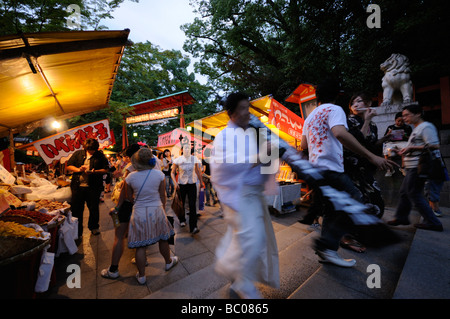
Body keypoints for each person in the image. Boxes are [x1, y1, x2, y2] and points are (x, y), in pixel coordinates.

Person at [300, 80, 395, 267]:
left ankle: (328, 251)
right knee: (356, 202)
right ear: (338, 95)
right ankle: (327, 245)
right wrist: (371, 156)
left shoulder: (310, 117)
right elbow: (340, 134)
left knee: (331, 210)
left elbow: (304, 145)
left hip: (316, 170)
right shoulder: (335, 110)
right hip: (331, 169)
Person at [210, 92, 280, 299]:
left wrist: (269, 160)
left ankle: (239, 277)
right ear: (231, 113)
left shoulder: (252, 132)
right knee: (252, 238)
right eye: (242, 108)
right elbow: (223, 165)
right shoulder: (225, 135)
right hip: (240, 195)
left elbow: (268, 156)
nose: (246, 112)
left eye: (247, 107)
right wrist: (260, 156)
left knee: (246, 238)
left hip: (252, 195)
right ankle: (239, 279)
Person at [124, 147, 178, 284]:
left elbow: (129, 197)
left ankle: (141, 276)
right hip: (157, 210)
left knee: (140, 246)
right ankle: (168, 262)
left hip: (139, 211)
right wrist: (163, 208)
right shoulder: (159, 175)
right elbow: (162, 195)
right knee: (163, 239)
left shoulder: (130, 177)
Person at [387, 103, 444, 231]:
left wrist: (411, 148)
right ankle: (401, 217)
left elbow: (435, 145)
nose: (404, 118)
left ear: (418, 114)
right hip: (412, 166)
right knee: (405, 192)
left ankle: (433, 222)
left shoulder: (426, 127)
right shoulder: (417, 129)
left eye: (407, 115)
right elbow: (419, 146)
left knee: (413, 193)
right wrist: (404, 151)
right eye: (403, 115)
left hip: (418, 167)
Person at [101, 144, 141, 279]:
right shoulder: (152, 168)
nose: (126, 159)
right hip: (143, 205)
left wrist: (117, 207)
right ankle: (142, 262)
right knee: (139, 235)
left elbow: (125, 190)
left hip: (128, 205)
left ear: (131, 157)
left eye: (127, 156)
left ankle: (113, 269)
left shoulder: (130, 169)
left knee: (119, 235)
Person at [66, 138, 109, 237]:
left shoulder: (100, 155)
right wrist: (79, 169)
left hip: (93, 187)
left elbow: (106, 169)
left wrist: (95, 171)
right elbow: (69, 166)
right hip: (78, 187)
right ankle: (77, 230)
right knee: (77, 209)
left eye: (93, 150)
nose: (91, 151)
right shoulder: (78, 154)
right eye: (89, 149)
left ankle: (94, 227)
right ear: (85, 147)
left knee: (93, 208)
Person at [171, 144, 204, 234]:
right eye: (185, 148)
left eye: (189, 149)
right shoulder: (178, 160)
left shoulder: (194, 159)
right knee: (181, 204)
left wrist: (201, 182)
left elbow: (198, 171)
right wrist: (175, 183)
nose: (187, 150)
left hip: (192, 184)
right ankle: (182, 219)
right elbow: (172, 172)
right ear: (182, 150)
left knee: (192, 204)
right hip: (181, 184)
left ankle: (193, 226)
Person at [382, 112, 412, 176]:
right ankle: (390, 169)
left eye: (402, 121)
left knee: (405, 149)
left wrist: (405, 136)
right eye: (398, 121)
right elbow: (385, 137)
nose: (400, 123)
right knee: (387, 152)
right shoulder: (390, 127)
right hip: (391, 143)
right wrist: (389, 134)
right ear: (395, 120)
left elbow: (411, 138)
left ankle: (403, 168)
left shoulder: (407, 127)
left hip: (403, 142)